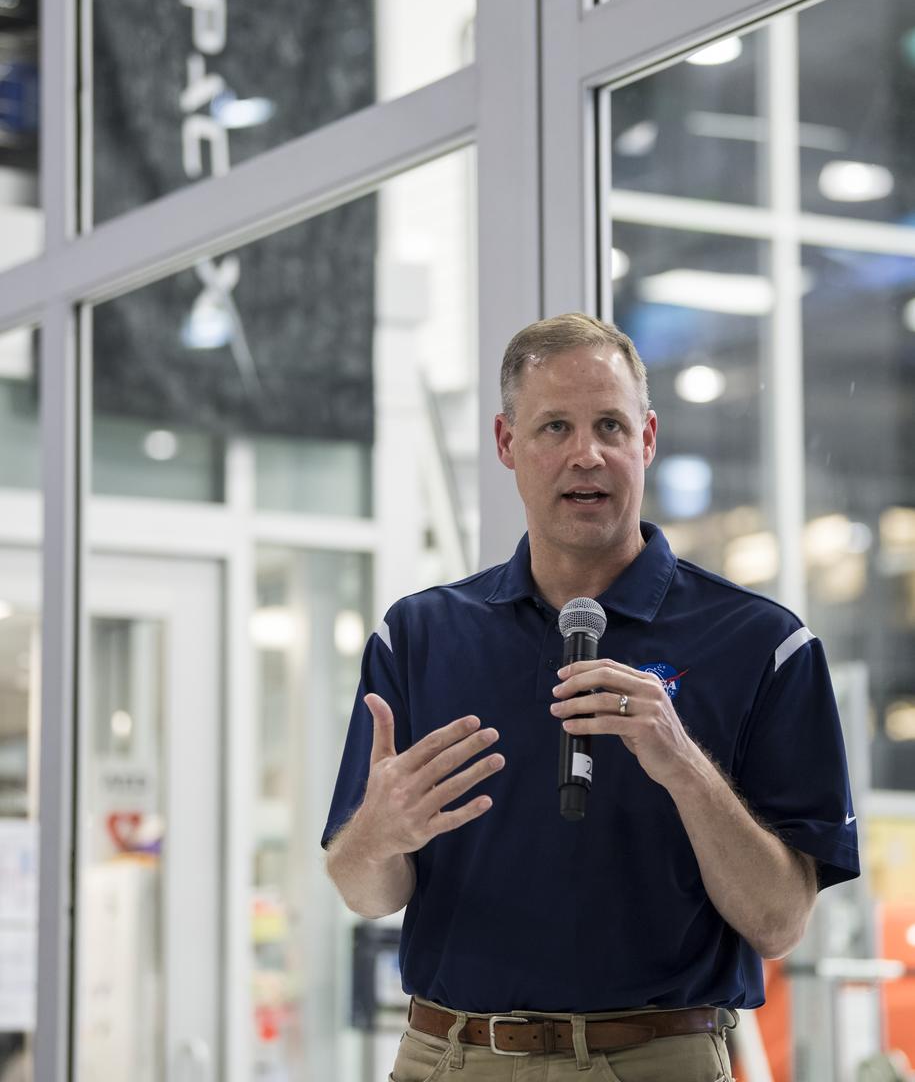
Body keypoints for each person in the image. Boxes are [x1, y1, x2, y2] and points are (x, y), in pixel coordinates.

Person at [323, 313, 860, 1081]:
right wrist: (376, 835)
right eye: (554, 428)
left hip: (655, 1060)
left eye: (610, 425)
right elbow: (365, 890)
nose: (587, 454)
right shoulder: (418, 636)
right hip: (448, 1058)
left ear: (645, 439)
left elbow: (778, 924)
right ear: (507, 445)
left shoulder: (762, 645)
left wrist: (682, 766)